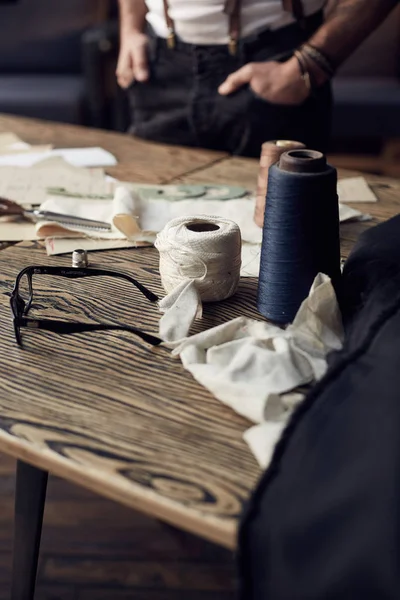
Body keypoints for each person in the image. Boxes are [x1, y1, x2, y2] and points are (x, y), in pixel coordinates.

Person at [116, 0, 398, 157]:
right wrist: (130, 29)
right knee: (149, 232)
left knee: (279, 236)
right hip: (159, 66)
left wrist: (310, 64)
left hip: (276, 63)